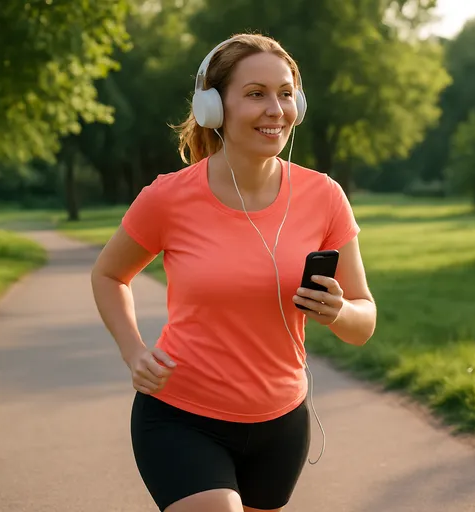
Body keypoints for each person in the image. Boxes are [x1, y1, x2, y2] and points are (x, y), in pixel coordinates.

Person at [90, 32, 376, 512]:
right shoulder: (168, 197)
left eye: (285, 93)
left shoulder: (325, 197)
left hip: (281, 424)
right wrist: (133, 351)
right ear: (212, 107)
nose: (275, 109)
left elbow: (363, 321)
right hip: (180, 415)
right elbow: (108, 275)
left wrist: (338, 310)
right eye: (255, 94)